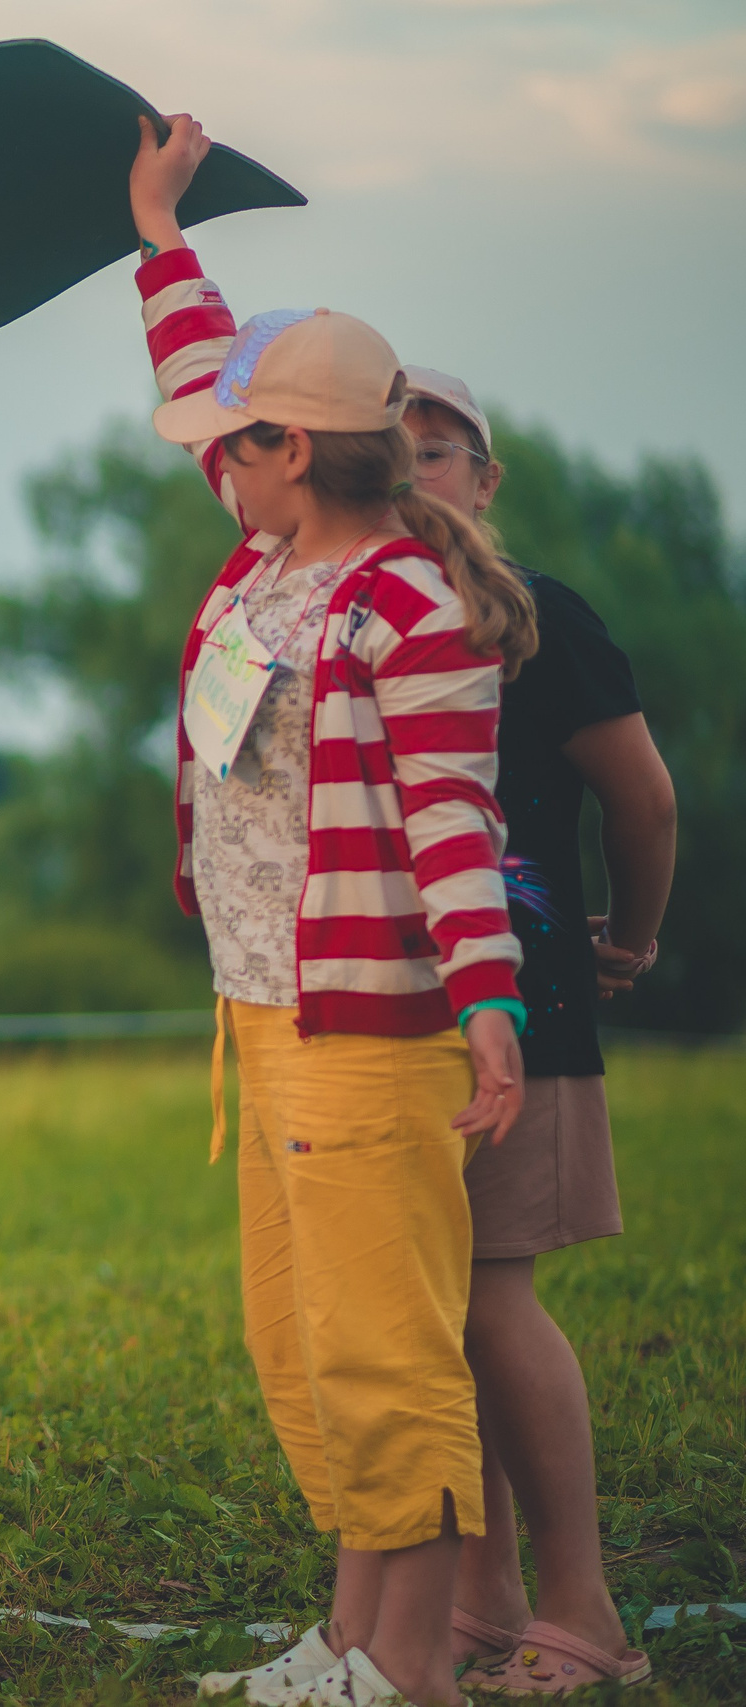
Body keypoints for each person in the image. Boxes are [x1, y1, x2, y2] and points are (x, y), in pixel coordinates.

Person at [130, 118, 540, 1707]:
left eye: (235, 441)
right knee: (306, 1342)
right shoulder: (268, 561)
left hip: (371, 1029)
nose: (208, 458)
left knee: (387, 1350)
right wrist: (160, 232)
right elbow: (197, 383)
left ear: (295, 451)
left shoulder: (406, 606)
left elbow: (455, 823)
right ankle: (352, 1638)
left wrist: (489, 1005)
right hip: (265, 1013)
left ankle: (415, 1669)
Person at [399, 370, 671, 1693]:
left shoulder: (540, 618)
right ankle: (482, 1587)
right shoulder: (351, 614)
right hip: (386, 1007)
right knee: (437, 1304)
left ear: (485, 476)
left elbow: (647, 798)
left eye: (436, 452)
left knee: (493, 1293)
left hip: (521, 996)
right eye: (382, 454)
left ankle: (586, 1605)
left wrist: (633, 931)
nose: (412, 475)